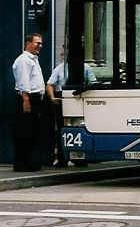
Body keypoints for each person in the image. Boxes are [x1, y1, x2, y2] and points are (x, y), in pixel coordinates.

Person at [46, 46, 97, 166]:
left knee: (79, 128)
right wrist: (53, 97)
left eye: (64, 50)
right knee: (61, 129)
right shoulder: (60, 68)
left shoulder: (85, 67)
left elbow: (93, 82)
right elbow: (49, 85)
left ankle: (80, 158)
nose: (61, 53)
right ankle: (62, 158)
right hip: (62, 98)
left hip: (78, 97)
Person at [11, 33, 46, 171]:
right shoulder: (24, 60)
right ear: (28, 43)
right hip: (27, 98)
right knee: (25, 132)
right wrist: (26, 100)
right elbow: (23, 81)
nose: (40, 46)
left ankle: (31, 161)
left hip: (35, 98)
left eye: (41, 43)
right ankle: (22, 164)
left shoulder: (33, 59)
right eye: (37, 43)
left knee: (33, 131)